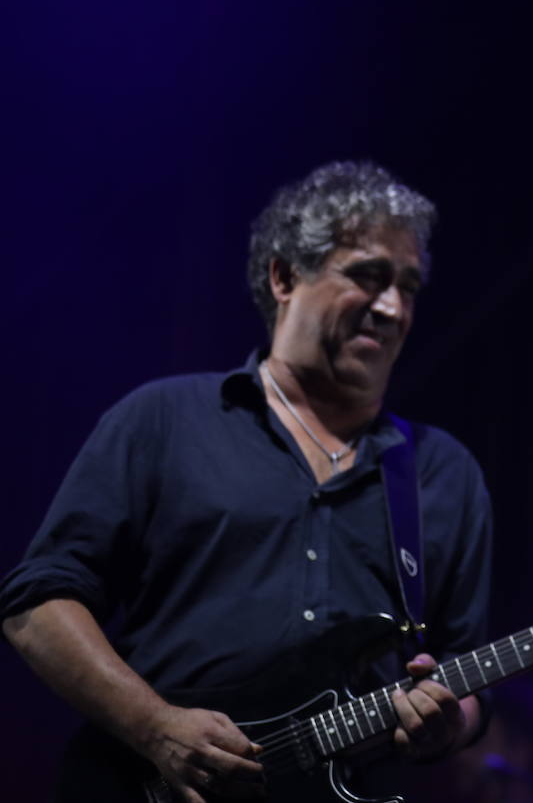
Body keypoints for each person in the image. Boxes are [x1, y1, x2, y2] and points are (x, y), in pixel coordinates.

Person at [1, 162, 493, 802]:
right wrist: (154, 727)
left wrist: (451, 723)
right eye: (368, 276)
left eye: (409, 286)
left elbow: (468, 677)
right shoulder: (164, 419)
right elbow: (37, 606)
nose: (393, 307)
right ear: (285, 276)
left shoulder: (443, 473)